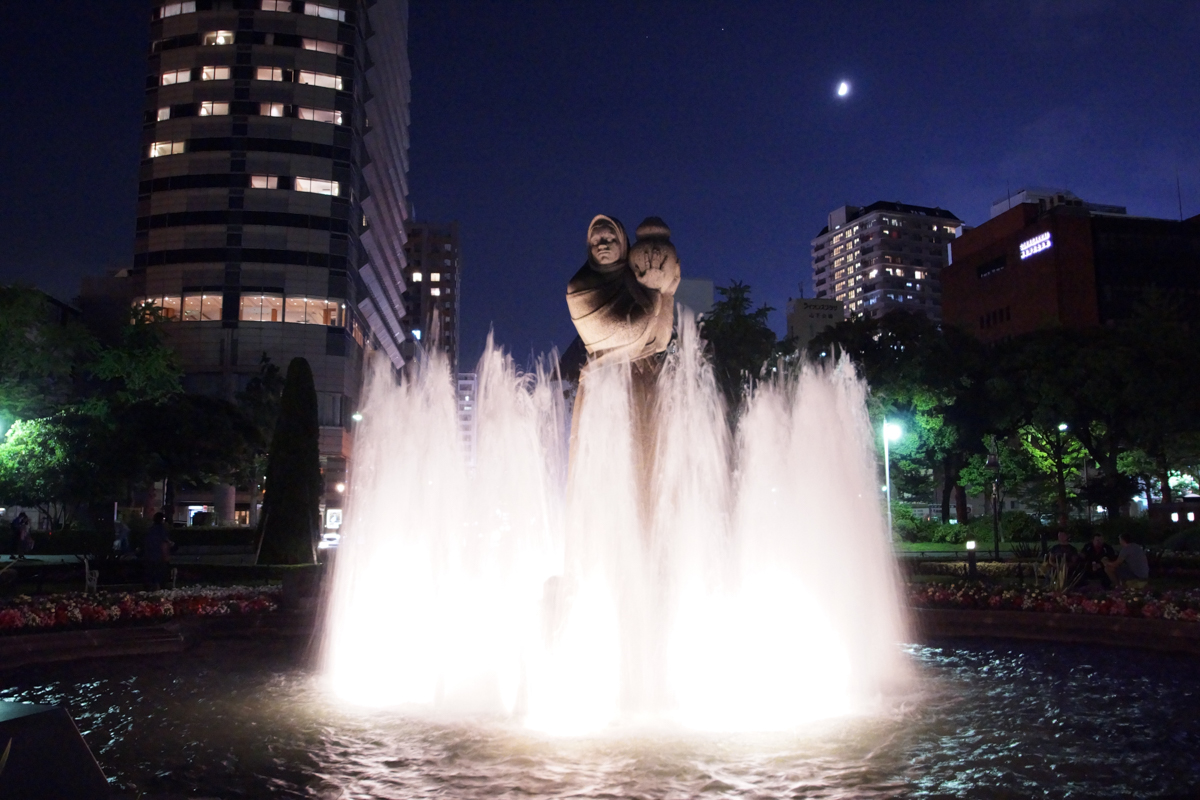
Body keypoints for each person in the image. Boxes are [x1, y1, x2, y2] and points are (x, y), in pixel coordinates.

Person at [142, 512, 174, 589]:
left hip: (149, 556)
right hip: (159, 556)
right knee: (160, 575)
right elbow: (164, 543)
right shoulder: (162, 530)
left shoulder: (150, 530)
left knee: (151, 575)